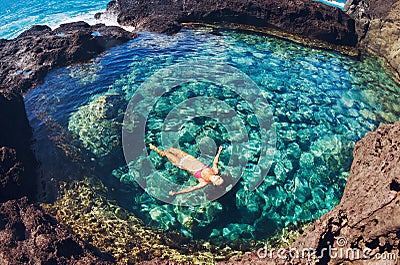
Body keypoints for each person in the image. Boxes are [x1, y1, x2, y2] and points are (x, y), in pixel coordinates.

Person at [149, 144, 224, 196]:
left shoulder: (203, 182)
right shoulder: (215, 171)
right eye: (219, 178)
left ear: (214, 184)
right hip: (188, 157)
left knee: (166, 154)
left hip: (181, 163)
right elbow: (215, 162)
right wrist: (219, 151)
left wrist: (176, 193)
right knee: (170, 150)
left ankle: (155, 149)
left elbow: (190, 189)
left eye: (217, 181)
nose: (217, 178)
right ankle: (161, 149)